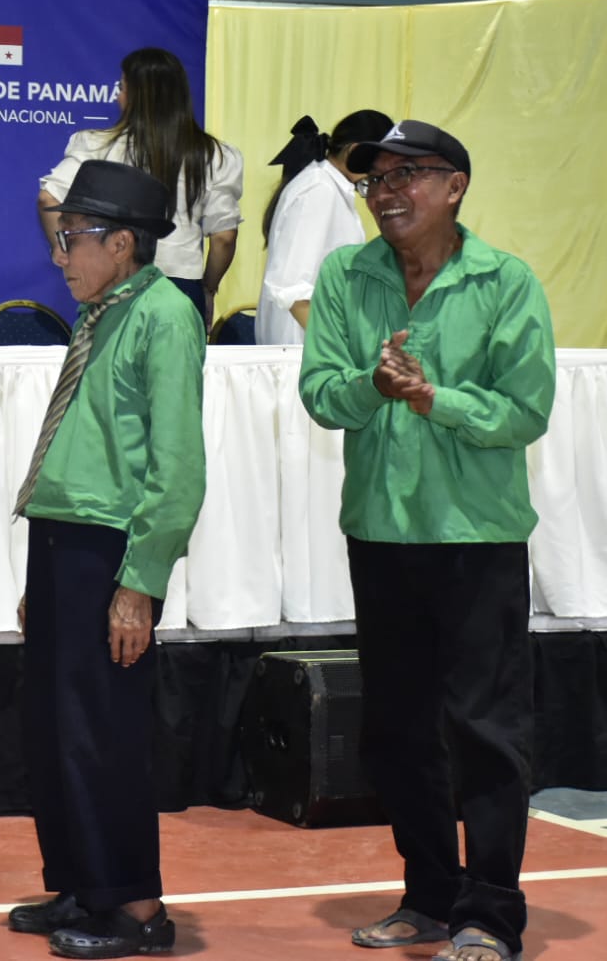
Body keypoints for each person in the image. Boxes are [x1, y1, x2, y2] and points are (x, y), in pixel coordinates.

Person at [298, 120, 554, 961]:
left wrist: (431, 398)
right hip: (381, 533)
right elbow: (320, 392)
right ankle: (429, 896)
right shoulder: (345, 275)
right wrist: (372, 387)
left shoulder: (505, 281)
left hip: (475, 538)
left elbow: (524, 412)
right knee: (397, 731)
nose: (387, 192)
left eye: (408, 175)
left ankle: (491, 914)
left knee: (484, 729)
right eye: (375, 179)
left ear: (454, 187)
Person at [10, 159, 207, 959]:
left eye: (70, 239)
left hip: (109, 545)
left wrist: (139, 583)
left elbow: (177, 464)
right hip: (62, 537)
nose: (58, 256)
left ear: (120, 243)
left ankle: (134, 907)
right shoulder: (101, 313)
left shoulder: (163, 316)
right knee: (55, 727)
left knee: (103, 731)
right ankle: (80, 883)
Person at [38, 47, 243, 326]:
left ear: (138, 95)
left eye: (122, 87)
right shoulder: (216, 155)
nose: (117, 96)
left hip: (115, 280)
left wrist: (62, 249)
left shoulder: (97, 145)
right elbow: (224, 238)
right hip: (182, 285)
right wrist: (209, 288)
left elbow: (48, 198)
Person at [254, 109, 394, 345]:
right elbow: (291, 288)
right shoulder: (319, 190)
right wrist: (338, 346)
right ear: (354, 151)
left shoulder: (328, 187)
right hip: (304, 345)